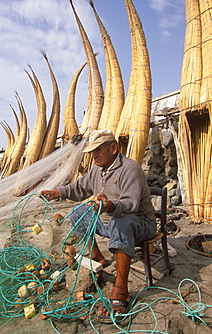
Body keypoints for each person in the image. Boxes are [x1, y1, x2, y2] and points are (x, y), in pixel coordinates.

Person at [39, 129, 156, 323]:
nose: (94, 155)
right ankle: (97, 256)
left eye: (98, 150)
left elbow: (130, 204)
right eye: (92, 151)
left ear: (113, 148)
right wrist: (57, 193)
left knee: (122, 221)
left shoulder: (130, 168)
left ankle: (121, 288)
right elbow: (78, 188)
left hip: (140, 223)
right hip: (111, 223)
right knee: (78, 213)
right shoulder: (97, 170)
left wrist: (110, 205)